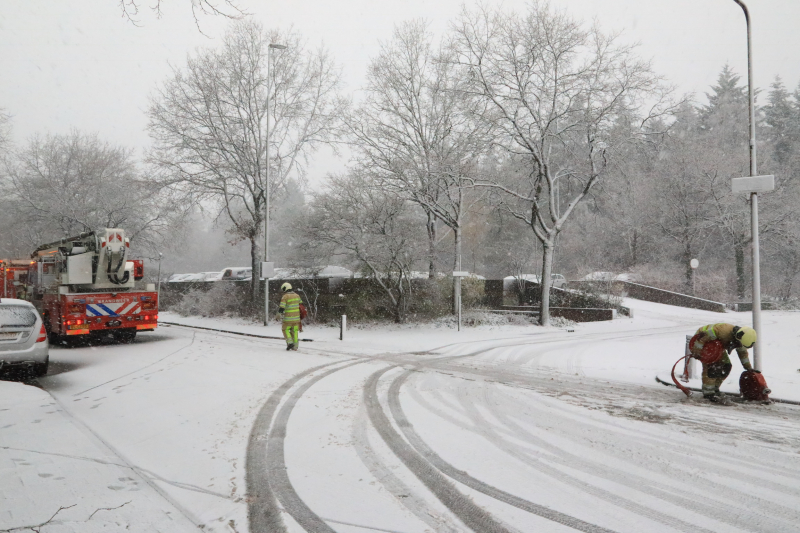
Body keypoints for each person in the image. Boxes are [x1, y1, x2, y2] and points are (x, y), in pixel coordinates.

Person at [689, 323, 757, 404]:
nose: (739, 346)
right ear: (737, 337)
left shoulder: (741, 338)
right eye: (739, 344)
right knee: (712, 367)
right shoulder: (723, 331)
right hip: (704, 341)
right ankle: (708, 393)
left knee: (726, 366)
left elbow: (742, 353)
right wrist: (697, 352)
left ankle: (714, 389)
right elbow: (702, 338)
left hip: (717, 344)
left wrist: (748, 368)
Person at [278, 282, 302, 351]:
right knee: (294, 331)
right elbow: (301, 305)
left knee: (285, 329)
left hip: (288, 319)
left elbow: (282, 307)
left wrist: (278, 315)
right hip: (297, 319)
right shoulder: (297, 295)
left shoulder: (285, 296)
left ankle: (290, 342)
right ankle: (295, 346)